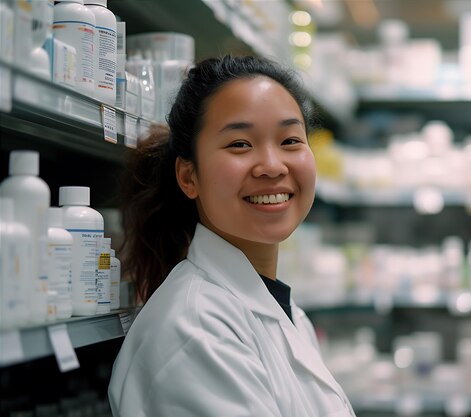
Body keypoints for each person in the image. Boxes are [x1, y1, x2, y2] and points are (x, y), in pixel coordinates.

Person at [108, 55, 356, 417]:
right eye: (240, 144)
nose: (272, 166)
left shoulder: (282, 311)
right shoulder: (195, 330)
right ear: (188, 177)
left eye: (289, 140)